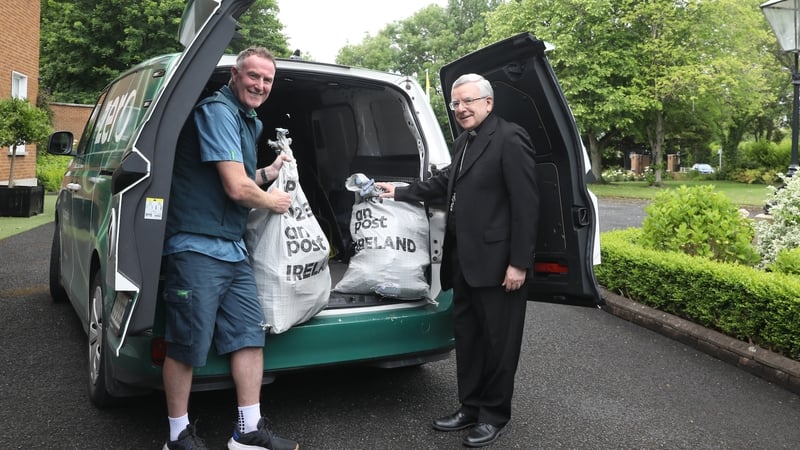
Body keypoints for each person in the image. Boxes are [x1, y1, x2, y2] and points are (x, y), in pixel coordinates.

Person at [377, 73, 539, 448]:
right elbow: (445, 183)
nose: (461, 109)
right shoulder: (465, 140)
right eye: (456, 103)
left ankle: (494, 415)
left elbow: (527, 206)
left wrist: (519, 263)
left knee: (499, 344)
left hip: (500, 266)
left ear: (488, 103)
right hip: (464, 262)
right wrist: (399, 191)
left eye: (468, 101)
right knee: (469, 341)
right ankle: (469, 407)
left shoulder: (510, 138)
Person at [161, 47, 299, 450]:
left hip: (232, 250)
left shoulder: (248, 120)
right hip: (197, 247)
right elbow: (236, 187)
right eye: (253, 76)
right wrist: (271, 200)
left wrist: (270, 173)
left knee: (248, 336)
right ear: (235, 75)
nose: (260, 85)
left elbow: (241, 173)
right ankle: (177, 436)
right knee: (187, 343)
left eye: (267, 80)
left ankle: (248, 431)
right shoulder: (216, 112)